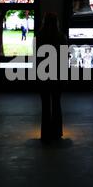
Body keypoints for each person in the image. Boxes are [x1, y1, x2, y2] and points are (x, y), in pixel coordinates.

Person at [36, 12, 67, 141]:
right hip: (57, 75)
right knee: (56, 103)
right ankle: (57, 132)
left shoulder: (39, 36)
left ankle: (46, 133)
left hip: (43, 76)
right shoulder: (61, 37)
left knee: (45, 105)